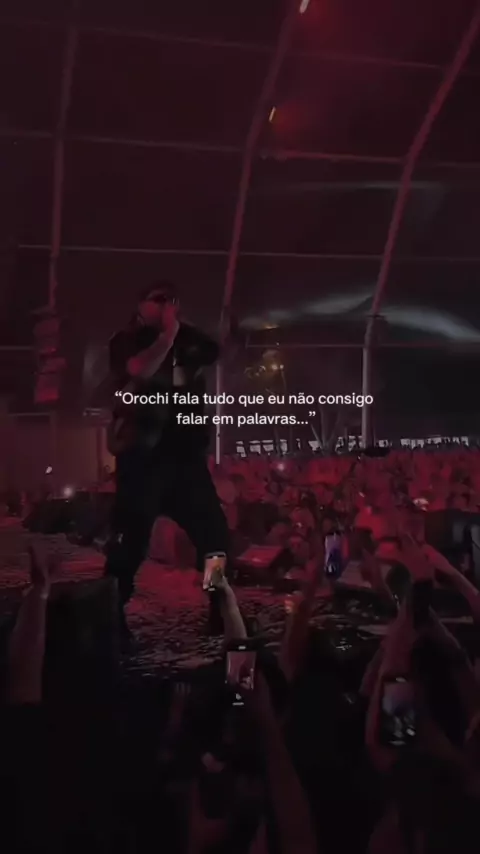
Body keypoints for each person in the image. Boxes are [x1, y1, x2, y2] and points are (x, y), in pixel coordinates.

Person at [104, 280, 230, 639]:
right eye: (157, 299)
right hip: (143, 460)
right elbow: (139, 369)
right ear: (140, 306)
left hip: (186, 457)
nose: (164, 305)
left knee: (215, 536)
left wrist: (182, 328)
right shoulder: (125, 339)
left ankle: (219, 605)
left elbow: (214, 351)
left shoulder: (188, 337)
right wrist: (168, 335)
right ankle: (111, 613)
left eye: (170, 300)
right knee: (129, 544)